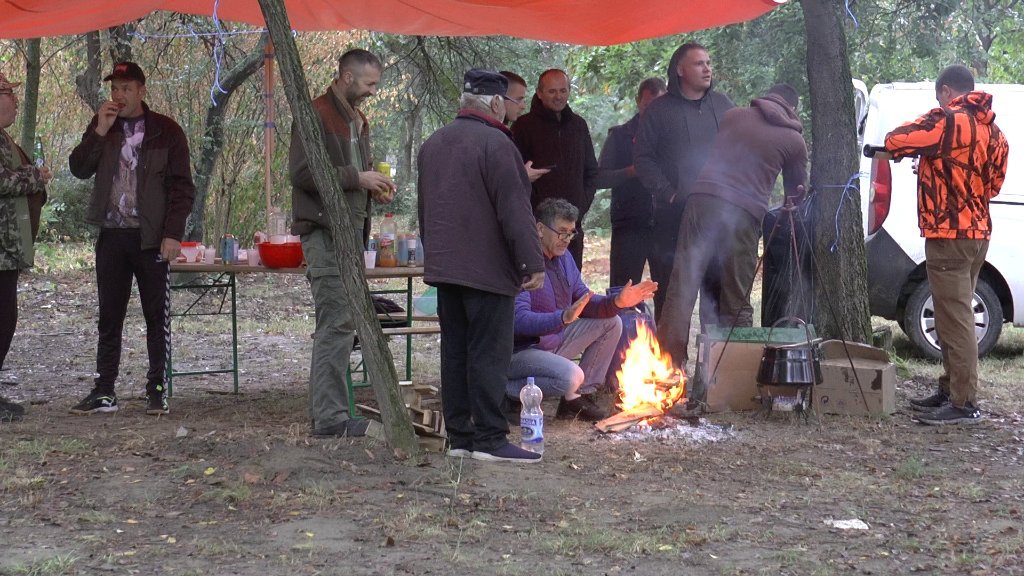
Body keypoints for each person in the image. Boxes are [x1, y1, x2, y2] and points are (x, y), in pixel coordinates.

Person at [418, 69, 545, 463]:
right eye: (511, 103)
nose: (513, 111)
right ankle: (490, 439)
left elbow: (425, 209)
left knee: (455, 352)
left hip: (445, 268)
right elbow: (515, 211)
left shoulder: (433, 143)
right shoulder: (497, 144)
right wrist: (531, 261)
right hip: (487, 270)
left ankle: (459, 438)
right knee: (489, 354)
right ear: (495, 103)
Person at [881, 64, 1008, 425]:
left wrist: (919, 156)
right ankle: (950, 389)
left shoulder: (947, 120)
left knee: (955, 320)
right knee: (954, 315)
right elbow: (993, 186)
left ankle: (964, 402)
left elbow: (896, 139)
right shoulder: (994, 132)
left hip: (949, 236)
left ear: (948, 92)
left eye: (940, 97)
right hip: (978, 233)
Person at [68, 61, 195, 416]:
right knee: (110, 315)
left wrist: (173, 234)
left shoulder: (166, 131)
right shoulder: (102, 127)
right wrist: (99, 130)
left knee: (156, 316)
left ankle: (156, 388)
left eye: (126, 88)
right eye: (115, 88)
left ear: (142, 90)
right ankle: (104, 389)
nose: (119, 95)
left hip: (151, 238)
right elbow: (78, 168)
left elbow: (182, 188)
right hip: (112, 235)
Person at [658, 84, 808, 374]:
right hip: (743, 212)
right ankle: (730, 371)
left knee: (683, 284)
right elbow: (797, 192)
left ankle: (669, 366)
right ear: (793, 108)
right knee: (736, 296)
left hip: (701, 201)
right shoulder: (793, 140)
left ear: (765, 97)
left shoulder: (733, 115)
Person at [289, 49, 396, 437]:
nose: (372, 90)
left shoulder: (358, 119)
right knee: (335, 323)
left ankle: (332, 412)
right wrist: (358, 178)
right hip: (323, 232)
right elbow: (302, 173)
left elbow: (353, 179)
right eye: (369, 83)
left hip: (351, 234)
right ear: (347, 77)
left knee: (344, 322)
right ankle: (329, 418)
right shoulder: (316, 113)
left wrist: (373, 189)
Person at [509, 198, 657, 422]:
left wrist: (617, 302)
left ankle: (577, 399)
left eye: (570, 233)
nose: (566, 240)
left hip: (555, 339)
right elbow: (518, 321)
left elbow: (584, 299)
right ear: (539, 229)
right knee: (571, 376)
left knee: (612, 322)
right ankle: (505, 391)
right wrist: (562, 317)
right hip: (522, 352)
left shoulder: (564, 258)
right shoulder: (524, 261)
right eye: (561, 232)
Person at [634, 42, 735, 327]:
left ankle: (711, 363)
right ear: (680, 70)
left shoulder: (723, 105)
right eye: (699, 63)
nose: (707, 68)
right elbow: (643, 159)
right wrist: (669, 193)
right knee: (672, 291)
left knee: (716, 293)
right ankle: (671, 364)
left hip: (718, 217)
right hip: (674, 217)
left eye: (708, 63)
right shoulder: (659, 110)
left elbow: (742, 149)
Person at [512, 69, 603, 269]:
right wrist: (534, 208)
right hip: (539, 228)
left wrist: (581, 204)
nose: (559, 96)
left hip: (572, 226)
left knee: (571, 285)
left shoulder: (578, 125)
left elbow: (591, 172)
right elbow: (514, 175)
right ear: (540, 93)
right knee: (540, 286)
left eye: (563, 90)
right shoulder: (523, 126)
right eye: (552, 91)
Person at [0, 71, 50, 422]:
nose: (15, 100)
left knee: (6, 318)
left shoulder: (4, 139)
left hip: (6, 249)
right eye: (8, 93)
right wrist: (38, 176)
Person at [599, 77, 667, 287]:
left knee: (666, 289)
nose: (654, 111)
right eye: (648, 105)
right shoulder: (620, 135)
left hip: (665, 224)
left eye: (659, 105)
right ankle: (619, 322)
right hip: (628, 225)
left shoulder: (673, 136)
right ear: (638, 101)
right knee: (623, 289)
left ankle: (666, 322)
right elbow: (599, 177)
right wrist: (631, 172)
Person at [500, 70, 550, 183]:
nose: (523, 106)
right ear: (498, 99)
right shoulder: (490, 136)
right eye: (518, 99)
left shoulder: (504, 133)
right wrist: (522, 178)